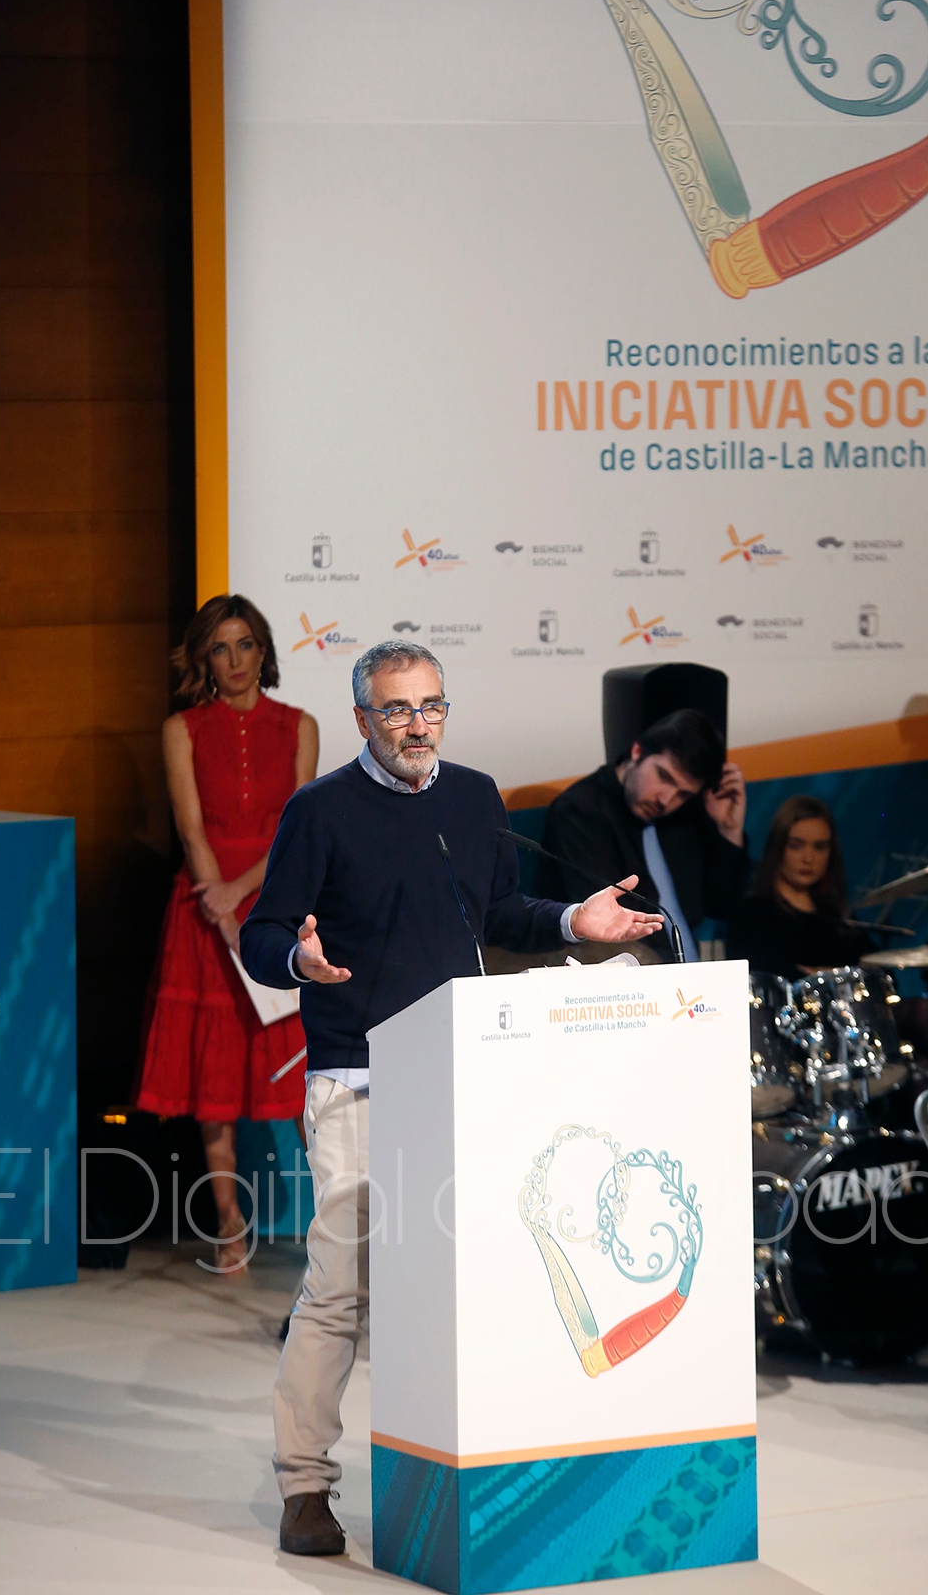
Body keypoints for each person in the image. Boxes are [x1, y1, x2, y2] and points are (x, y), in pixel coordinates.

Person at [239, 641, 662, 1557]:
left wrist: (572, 921)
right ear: (362, 719)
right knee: (340, 1288)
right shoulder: (320, 811)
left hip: (462, 1077)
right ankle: (305, 1485)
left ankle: (457, 1475)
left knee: (463, 1290)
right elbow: (260, 935)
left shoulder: (474, 796)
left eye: (430, 705)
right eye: (396, 709)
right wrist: (298, 959)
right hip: (357, 1078)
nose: (417, 724)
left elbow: (497, 915)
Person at [134, 595, 317, 1272]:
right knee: (212, 1068)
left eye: (245, 645)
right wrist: (222, 911)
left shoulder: (300, 726)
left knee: (300, 1072)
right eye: (220, 648)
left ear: (263, 652)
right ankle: (228, 1221)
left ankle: (339, 1221)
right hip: (204, 913)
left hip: (274, 904)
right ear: (204, 659)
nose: (235, 660)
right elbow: (191, 831)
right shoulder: (180, 729)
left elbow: (296, 831)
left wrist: (243, 900)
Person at [534, 709, 748, 962]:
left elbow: (721, 905)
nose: (666, 799)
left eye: (683, 794)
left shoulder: (683, 816)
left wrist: (729, 830)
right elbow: (612, 930)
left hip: (688, 976)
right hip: (624, 976)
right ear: (637, 751)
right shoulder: (580, 813)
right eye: (664, 777)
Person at [727, 795, 872, 979]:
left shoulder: (837, 915)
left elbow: (879, 972)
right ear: (778, 847)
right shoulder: (752, 914)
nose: (808, 858)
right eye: (796, 846)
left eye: (819, 847)